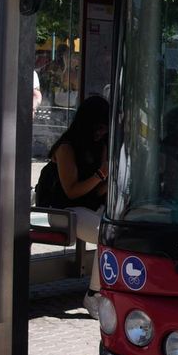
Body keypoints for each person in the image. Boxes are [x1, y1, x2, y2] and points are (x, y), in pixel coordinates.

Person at [36, 95, 110, 316]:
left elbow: (95, 192)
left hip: (85, 207)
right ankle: (94, 295)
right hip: (60, 209)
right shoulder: (66, 147)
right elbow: (71, 191)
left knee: (116, 230)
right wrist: (101, 174)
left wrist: (111, 181)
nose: (101, 133)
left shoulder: (100, 146)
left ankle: (101, 292)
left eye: (104, 129)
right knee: (105, 235)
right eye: (98, 127)